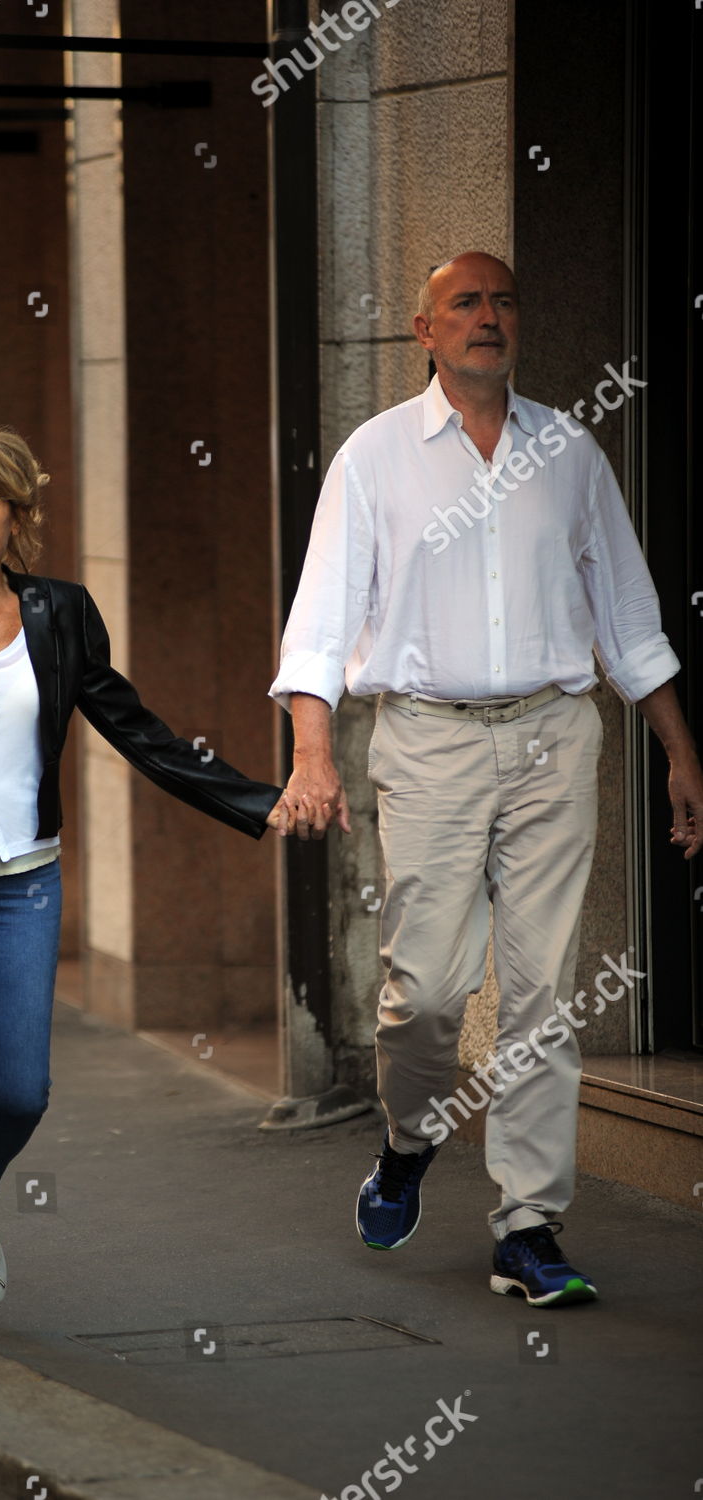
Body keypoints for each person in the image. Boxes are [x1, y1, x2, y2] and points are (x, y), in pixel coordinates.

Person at [268, 251, 703, 1306]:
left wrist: (676, 747)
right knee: (424, 994)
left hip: (556, 733)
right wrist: (312, 753)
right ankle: (409, 1141)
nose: (486, 316)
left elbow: (627, 612)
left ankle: (526, 1224)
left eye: (503, 298)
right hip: (426, 739)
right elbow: (322, 618)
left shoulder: (567, 451)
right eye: (463, 302)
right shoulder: (374, 459)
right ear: (422, 329)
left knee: (542, 994)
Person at [0, 427, 288, 1362]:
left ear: (15, 513)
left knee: (20, 1090)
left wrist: (260, 802)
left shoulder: (64, 613)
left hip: (21, 878)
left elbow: (137, 728)